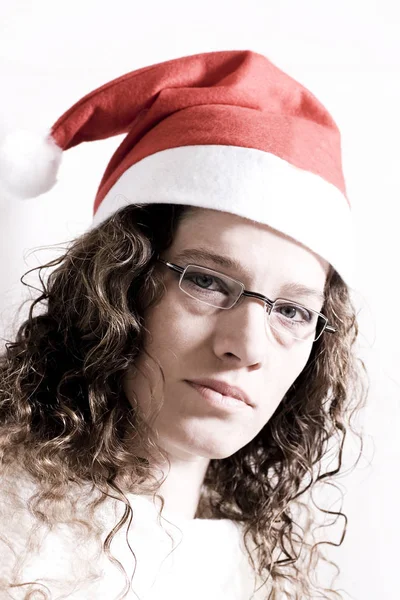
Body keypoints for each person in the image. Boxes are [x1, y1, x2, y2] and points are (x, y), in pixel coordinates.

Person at [0, 49, 367, 599]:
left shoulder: (259, 577)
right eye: (208, 281)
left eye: (292, 311)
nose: (245, 346)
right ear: (117, 287)